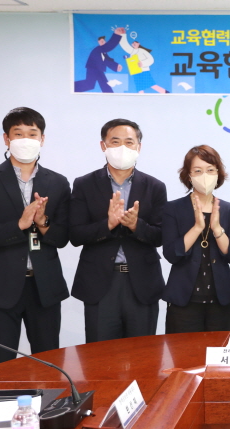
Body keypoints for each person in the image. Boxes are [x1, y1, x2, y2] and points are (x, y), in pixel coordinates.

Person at [0, 107, 71, 366]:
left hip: (44, 287)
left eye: (32, 134)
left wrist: (42, 222)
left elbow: (62, 237)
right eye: (18, 134)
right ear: (7, 138)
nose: (26, 140)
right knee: (0, 366)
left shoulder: (58, 182)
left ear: (42, 139)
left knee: (49, 364)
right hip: (0, 287)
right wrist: (19, 225)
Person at [69, 118, 167, 343]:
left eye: (129, 142)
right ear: (103, 145)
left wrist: (135, 225)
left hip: (141, 284)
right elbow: (75, 234)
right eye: (115, 142)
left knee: (143, 354)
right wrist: (108, 225)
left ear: (138, 147)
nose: (122, 147)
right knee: (100, 356)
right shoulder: (84, 184)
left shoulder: (155, 187)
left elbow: (161, 236)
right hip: (100, 284)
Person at [162, 145, 230, 333]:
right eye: (198, 171)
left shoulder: (228, 210)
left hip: (221, 301)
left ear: (218, 173)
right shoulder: (173, 209)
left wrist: (217, 229)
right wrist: (197, 227)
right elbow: (172, 254)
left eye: (210, 170)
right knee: (183, 352)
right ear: (189, 176)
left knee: (219, 351)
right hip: (183, 301)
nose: (204, 176)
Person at [74, 28, 125, 93]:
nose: (102, 43)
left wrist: (116, 66)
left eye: (103, 41)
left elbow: (107, 59)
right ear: (99, 42)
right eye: (101, 41)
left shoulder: (103, 51)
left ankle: (110, 94)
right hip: (93, 68)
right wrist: (116, 35)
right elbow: (109, 47)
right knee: (90, 85)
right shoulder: (98, 49)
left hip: (98, 69)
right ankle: (71, 86)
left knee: (104, 85)